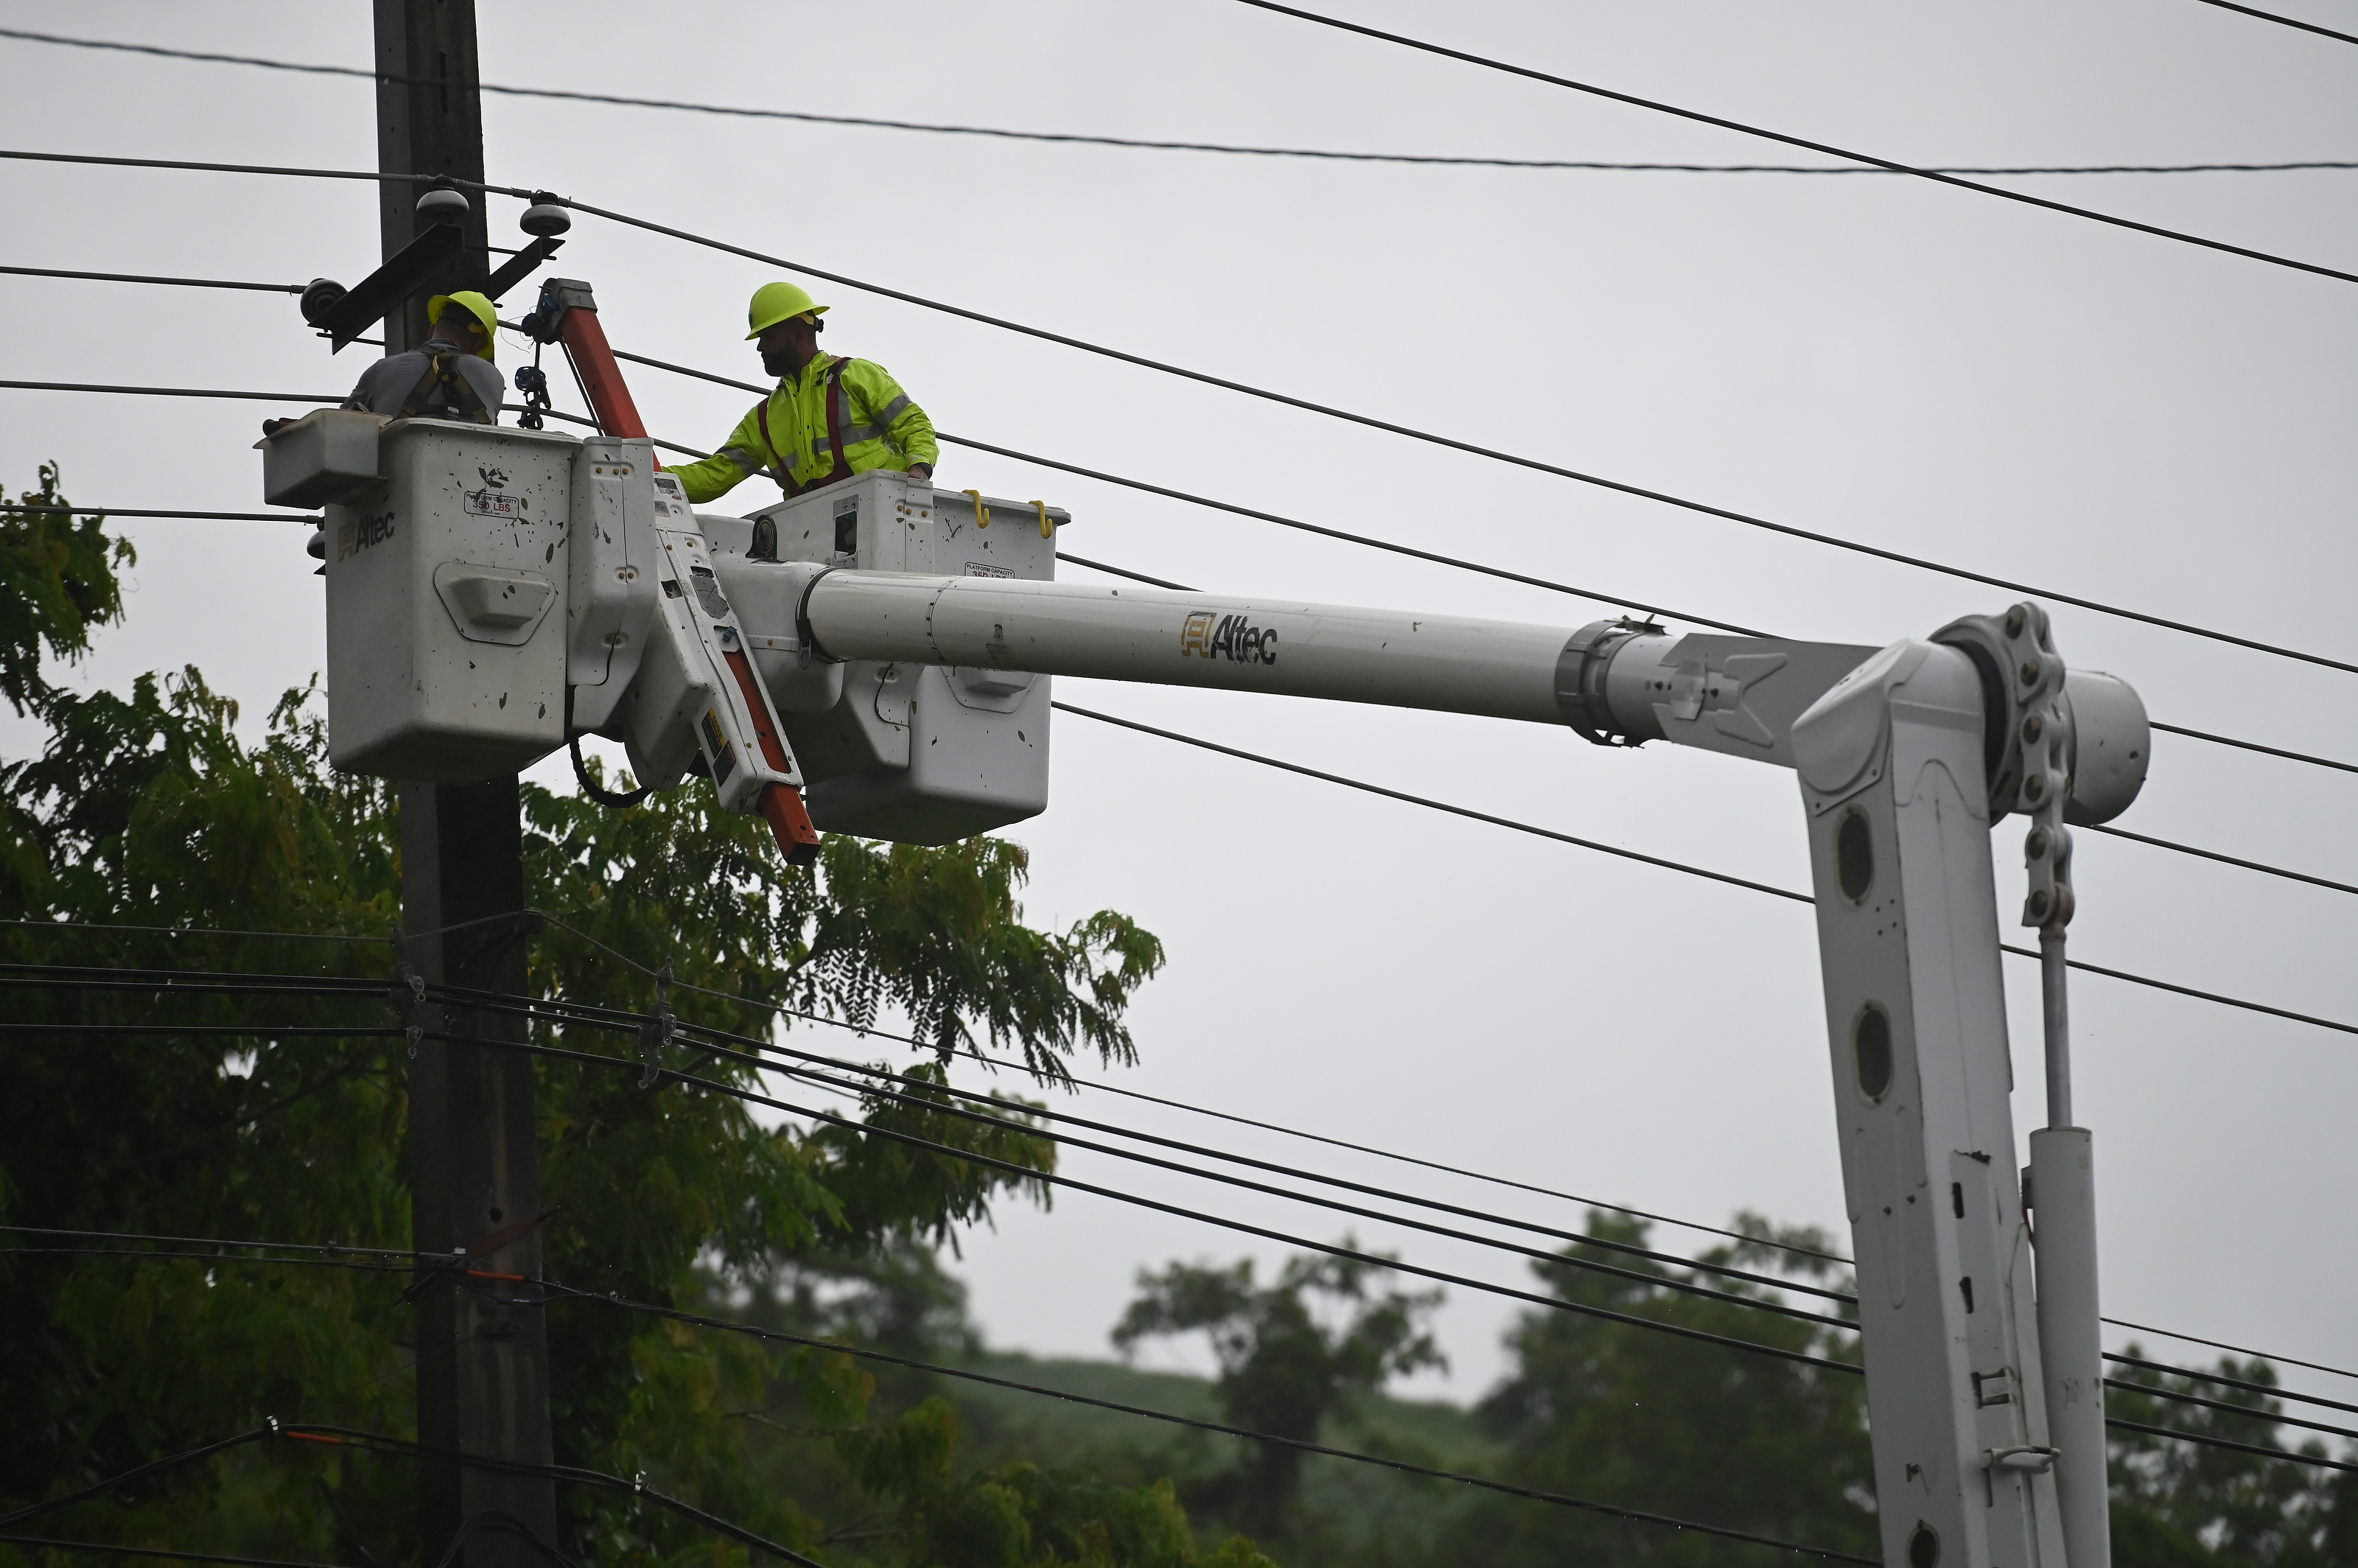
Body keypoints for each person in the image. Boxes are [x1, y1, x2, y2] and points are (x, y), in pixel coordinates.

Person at [669, 282, 938, 505]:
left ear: (799, 335)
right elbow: (717, 474)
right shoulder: (764, 418)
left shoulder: (855, 376)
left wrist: (918, 471)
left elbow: (914, 426)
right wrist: (649, 474)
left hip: (887, 512)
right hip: (816, 536)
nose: (760, 347)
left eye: (768, 337)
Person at [340, 290, 505, 422]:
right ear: (477, 345)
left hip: (400, 463)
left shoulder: (380, 371)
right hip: (472, 464)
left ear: (432, 330)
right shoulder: (494, 378)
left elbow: (339, 425)